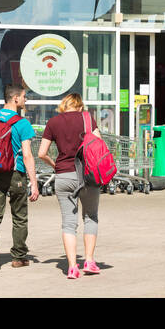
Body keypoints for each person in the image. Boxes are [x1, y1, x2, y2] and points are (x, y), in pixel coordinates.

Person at [37, 92, 102, 279]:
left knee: (68, 223)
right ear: (80, 106)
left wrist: (55, 165)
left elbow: (42, 153)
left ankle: (72, 267)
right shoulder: (88, 119)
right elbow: (99, 144)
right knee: (91, 217)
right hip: (87, 175)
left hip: (64, 175)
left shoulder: (53, 122)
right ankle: (89, 261)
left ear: (64, 106)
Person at [0, 84, 40, 274]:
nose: (25, 101)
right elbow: (28, 155)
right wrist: (34, 183)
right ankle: (19, 257)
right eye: (24, 97)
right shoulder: (22, 124)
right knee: (20, 217)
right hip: (17, 174)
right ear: (15, 99)